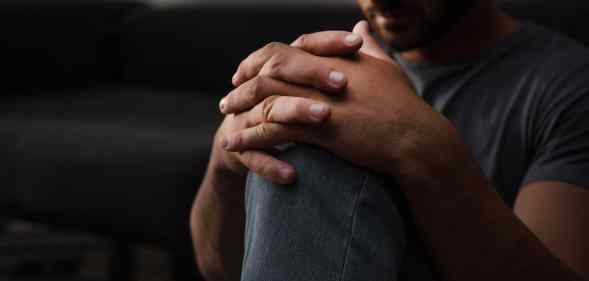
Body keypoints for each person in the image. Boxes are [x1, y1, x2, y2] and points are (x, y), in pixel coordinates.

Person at [190, 0, 589, 280]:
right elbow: (218, 268)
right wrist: (227, 156)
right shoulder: (337, 70)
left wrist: (418, 146)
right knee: (303, 129)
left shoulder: (570, 87)